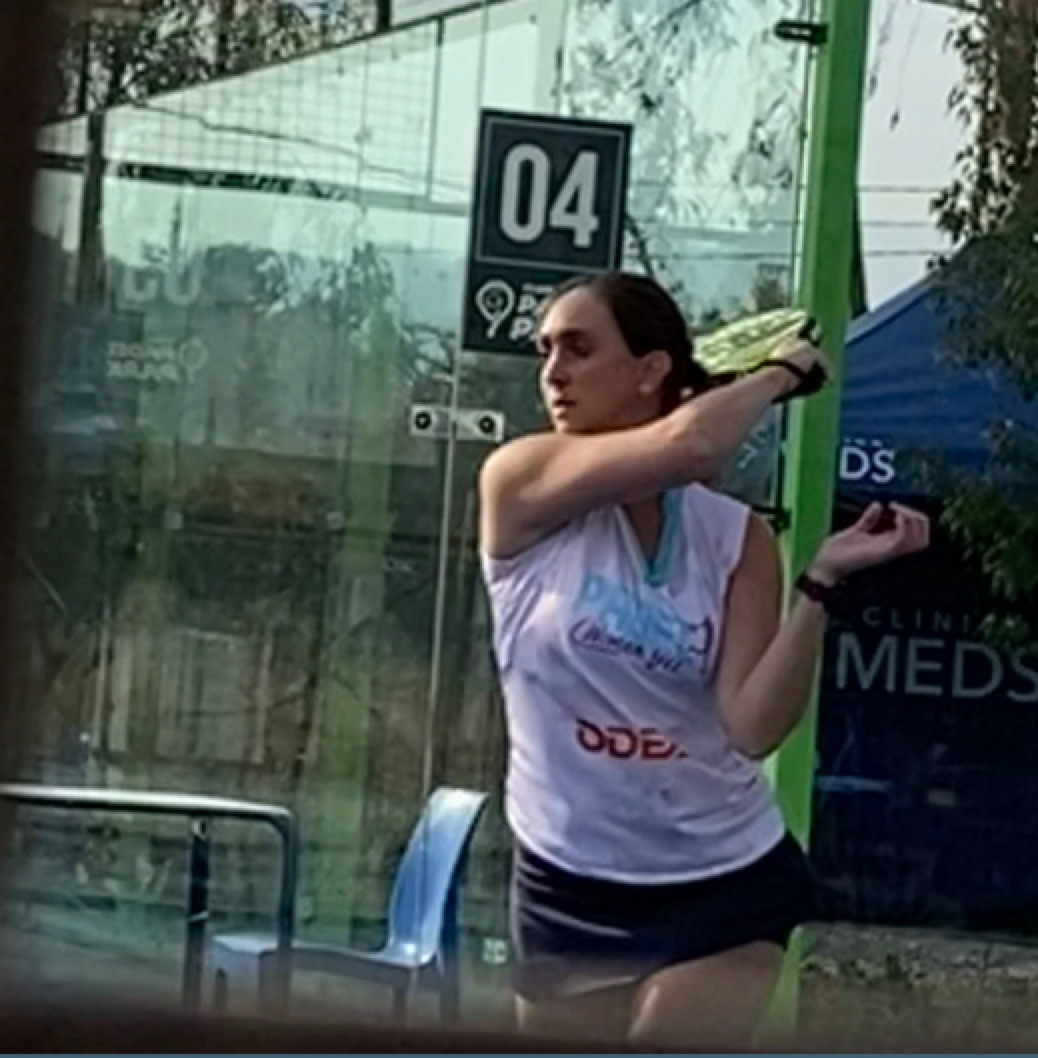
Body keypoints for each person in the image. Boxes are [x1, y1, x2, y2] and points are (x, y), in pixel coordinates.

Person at [477, 272, 930, 1049]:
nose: (553, 371)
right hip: (566, 879)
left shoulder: (736, 537)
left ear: (650, 370)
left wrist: (821, 584)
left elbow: (751, 728)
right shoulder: (518, 481)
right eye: (545, 350)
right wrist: (781, 372)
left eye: (579, 349)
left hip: (723, 880)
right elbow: (690, 445)